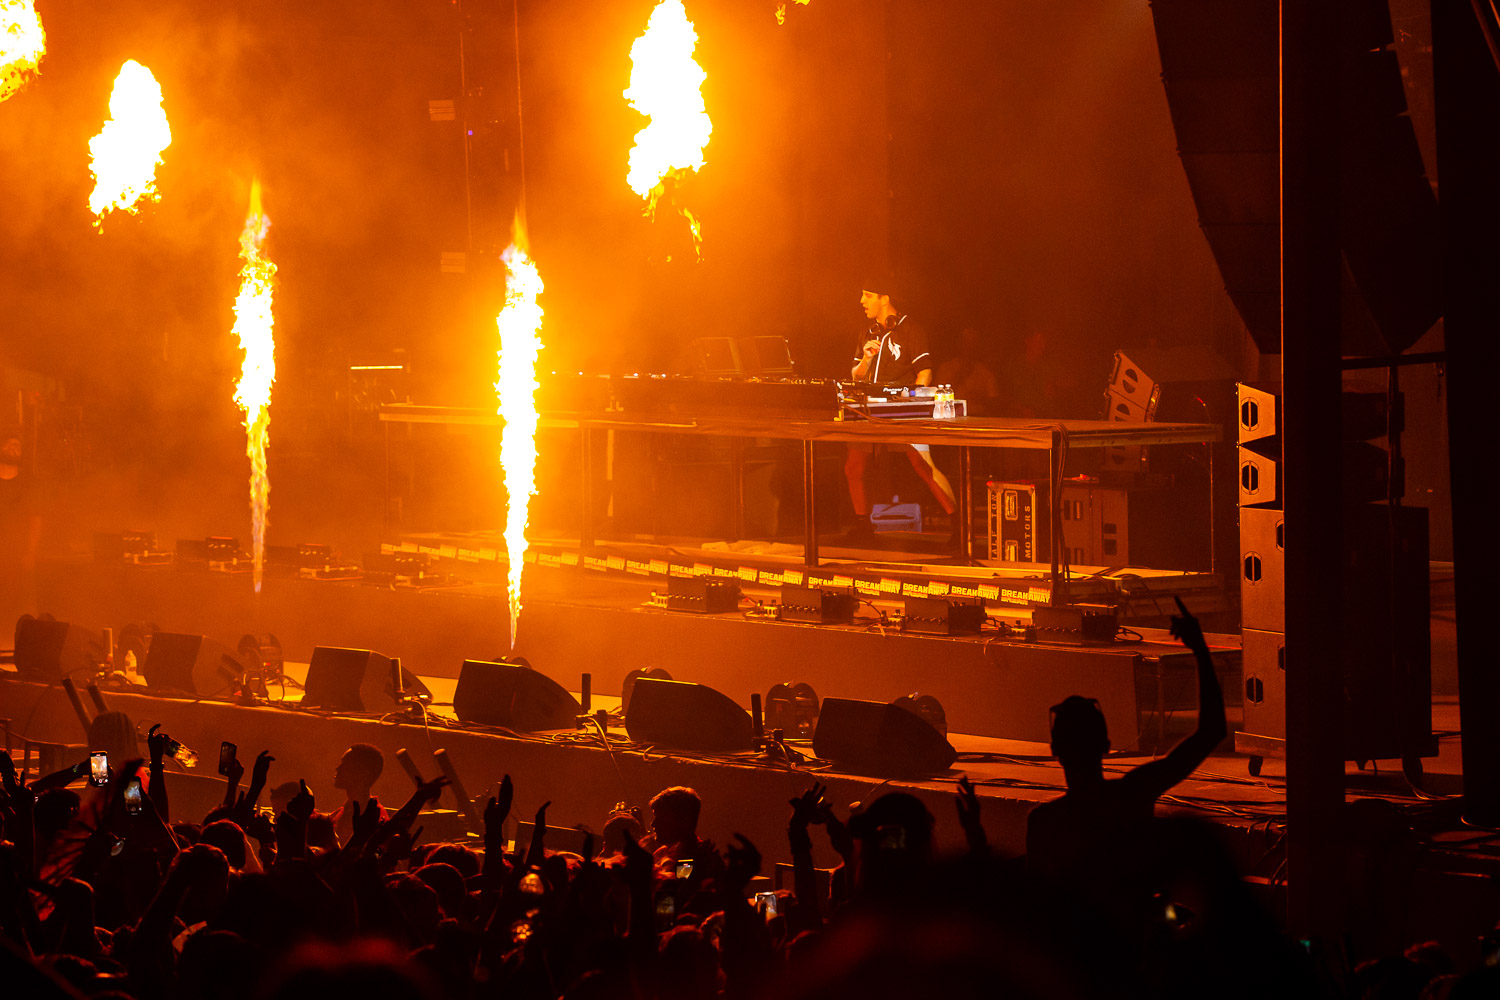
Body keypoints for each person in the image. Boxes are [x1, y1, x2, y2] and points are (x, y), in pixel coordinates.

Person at [1024, 597, 1227, 890]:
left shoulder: (1044, 822)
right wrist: (1200, 650)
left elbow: (1033, 903)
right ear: (1106, 745)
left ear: (1055, 750)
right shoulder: (1132, 794)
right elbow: (1211, 731)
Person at [843, 283, 958, 543]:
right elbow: (856, 376)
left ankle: (959, 525)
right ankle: (863, 527)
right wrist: (866, 359)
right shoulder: (867, 331)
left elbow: (925, 372)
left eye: (867, 295)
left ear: (885, 299)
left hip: (901, 411)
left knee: (923, 465)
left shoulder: (911, 330)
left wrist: (913, 402)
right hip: (868, 410)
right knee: (853, 466)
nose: (862, 301)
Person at [0, 427, 42, 627]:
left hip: (15, 553)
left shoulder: (27, 483)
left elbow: (35, 519)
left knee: (15, 601)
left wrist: (30, 552)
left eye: (17, 445)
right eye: (9, 443)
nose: (12, 448)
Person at [328, 743, 388, 847]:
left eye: (346, 764)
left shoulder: (377, 819)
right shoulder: (340, 814)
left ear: (364, 773)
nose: (338, 768)